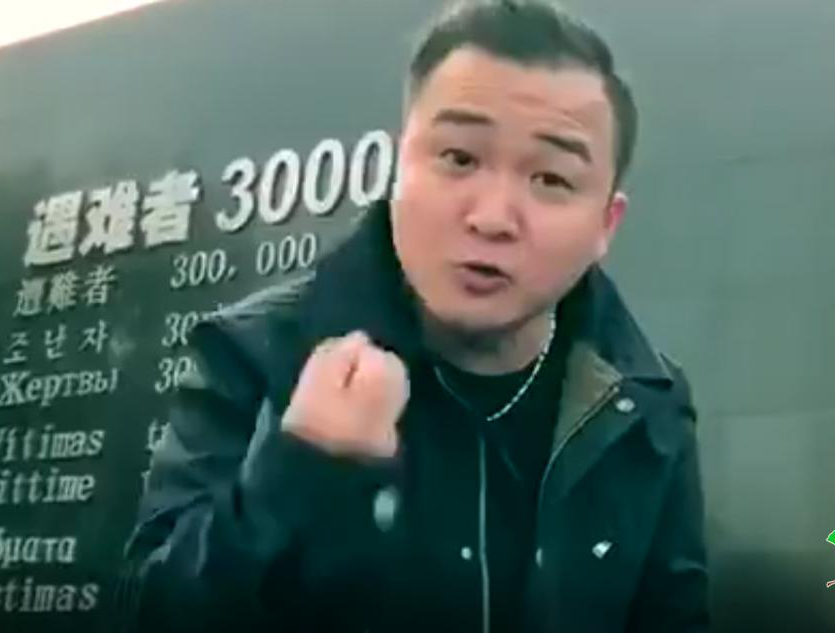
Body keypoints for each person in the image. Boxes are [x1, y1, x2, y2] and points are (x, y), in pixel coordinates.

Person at [116, 1, 708, 631]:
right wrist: (303, 471)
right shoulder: (258, 352)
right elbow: (151, 614)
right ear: (399, 167)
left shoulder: (643, 402)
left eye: (551, 179)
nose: (492, 218)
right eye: (459, 158)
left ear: (605, 225)